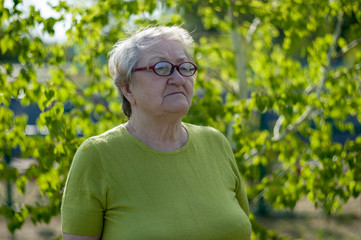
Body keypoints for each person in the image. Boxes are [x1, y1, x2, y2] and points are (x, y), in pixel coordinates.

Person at [61, 26, 252, 240]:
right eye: (162, 68)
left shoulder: (216, 143)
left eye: (185, 67)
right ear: (127, 88)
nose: (179, 78)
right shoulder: (96, 156)